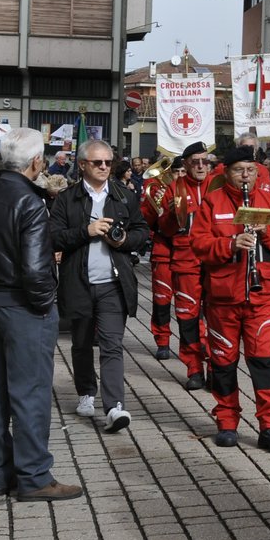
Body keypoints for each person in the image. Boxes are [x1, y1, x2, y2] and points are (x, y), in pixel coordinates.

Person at [0, 127, 83, 502]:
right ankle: (33, 475)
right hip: (23, 306)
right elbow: (34, 268)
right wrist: (44, 302)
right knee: (29, 393)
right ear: (36, 162)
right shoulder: (29, 202)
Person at [190, 144, 270, 449]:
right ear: (226, 172)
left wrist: (266, 233)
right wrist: (230, 244)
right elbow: (198, 244)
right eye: (239, 170)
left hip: (261, 296)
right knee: (223, 363)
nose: (246, 176)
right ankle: (226, 421)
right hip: (223, 297)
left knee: (264, 362)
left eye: (251, 170)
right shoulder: (212, 202)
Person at [51, 139, 151, 433]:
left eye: (109, 162)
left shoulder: (123, 196)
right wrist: (87, 231)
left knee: (111, 344)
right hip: (79, 281)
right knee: (81, 343)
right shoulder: (67, 198)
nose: (105, 167)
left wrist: (122, 241)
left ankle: (114, 406)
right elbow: (53, 236)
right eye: (98, 162)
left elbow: (142, 232)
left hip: (113, 283)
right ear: (82, 165)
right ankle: (85, 392)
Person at [158, 143, 216, 389]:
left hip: (216, 261)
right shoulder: (175, 188)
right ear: (187, 164)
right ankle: (194, 368)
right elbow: (165, 229)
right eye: (195, 161)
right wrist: (170, 215)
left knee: (217, 318)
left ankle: (216, 368)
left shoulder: (220, 186)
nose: (201, 166)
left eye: (205, 161)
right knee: (187, 317)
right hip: (186, 261)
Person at [140, 158, 180, 361]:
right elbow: (146, 220)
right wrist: (152, 202)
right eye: (176, 171)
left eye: (183, 171)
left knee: (191, 304)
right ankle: (162, 340)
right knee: (161, 300)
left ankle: (193, 343)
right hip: (164, 251)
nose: (180, 175)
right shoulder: (159, 190)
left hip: (189, 254)